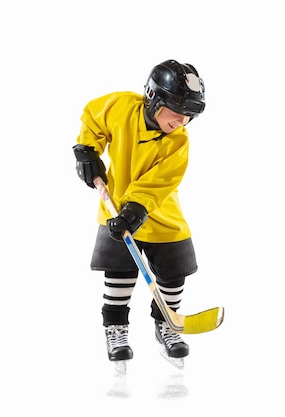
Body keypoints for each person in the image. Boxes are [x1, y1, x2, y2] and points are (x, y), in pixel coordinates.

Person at [73, 59, 206, 368]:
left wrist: (136, 208)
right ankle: (115, 329)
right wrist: (86, 150)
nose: (182, 121)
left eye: (189, 115)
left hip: (158, 210)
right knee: (119, 272)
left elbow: (159, 182)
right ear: (154, 99)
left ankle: (168, 325)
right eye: (177, 112)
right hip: (116, 206)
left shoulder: (178, 142)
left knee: (174, 271)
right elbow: (93, 118)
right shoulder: (121, 107)